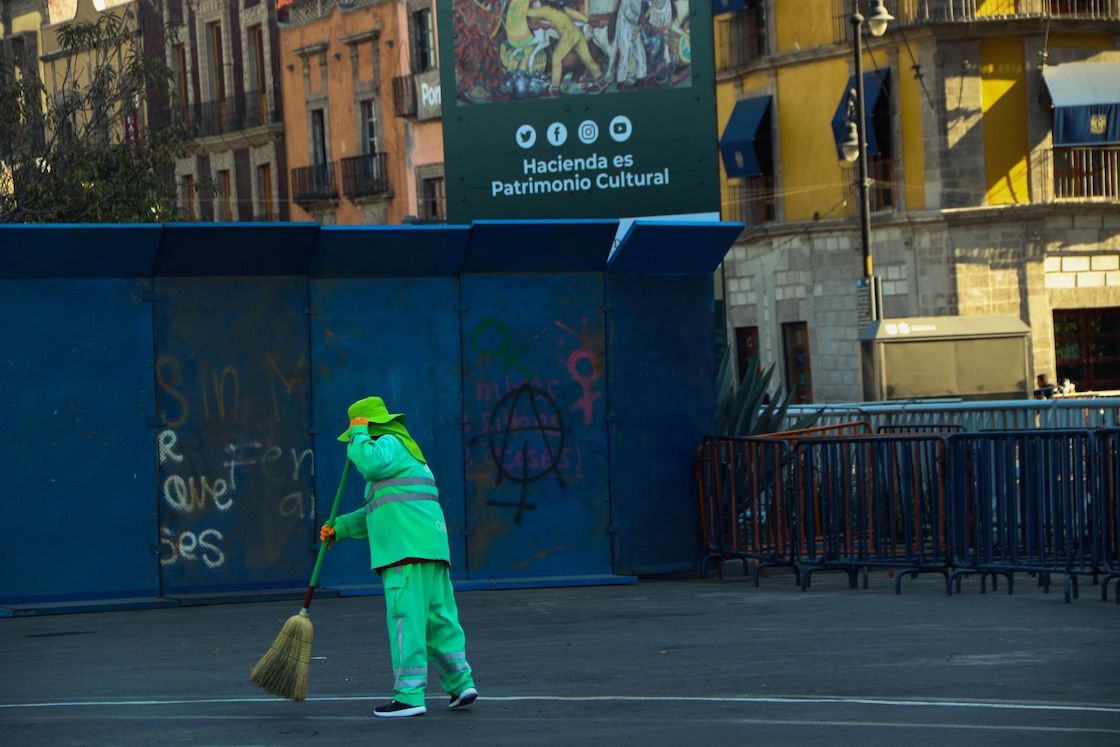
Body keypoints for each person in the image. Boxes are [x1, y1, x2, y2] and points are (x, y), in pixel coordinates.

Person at [320, 396, 477, 718]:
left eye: (355, 433)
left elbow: (370, 462)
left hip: (405, 553)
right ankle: (461, 683)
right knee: (439, 620)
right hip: (430, 550)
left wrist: (359, 435)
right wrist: (340, 528)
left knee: (407, 622)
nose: (352, 442)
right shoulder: (408, 455)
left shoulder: (386, 445)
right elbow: (378, 512)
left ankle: (409, 696)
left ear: (369, 427)